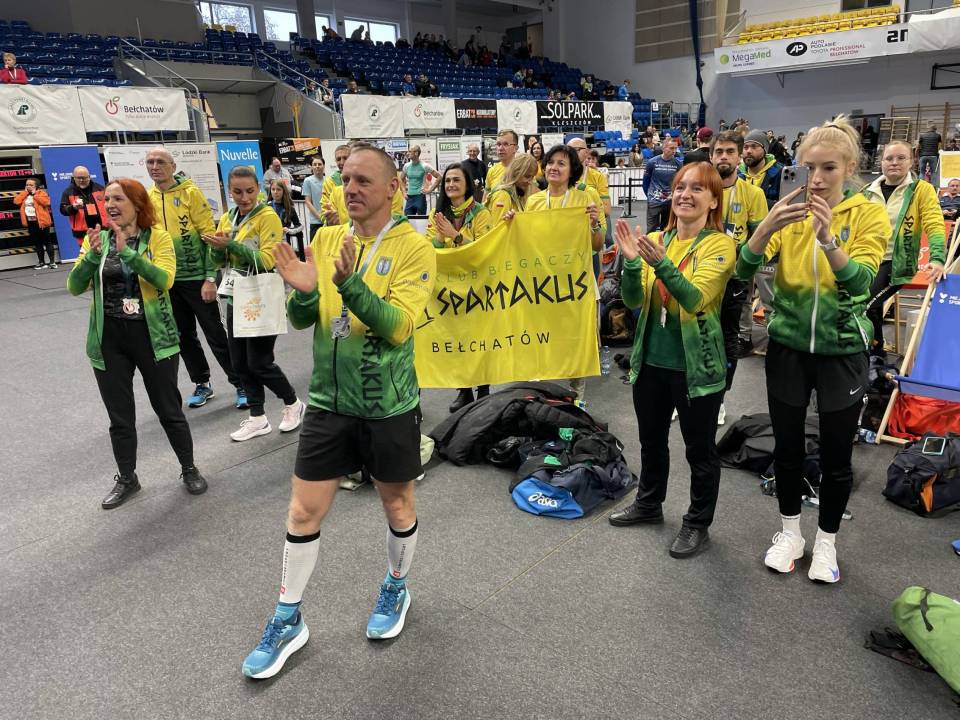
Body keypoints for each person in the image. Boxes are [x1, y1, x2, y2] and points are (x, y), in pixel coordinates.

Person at [240, 146, 436, 679]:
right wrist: (304, 293)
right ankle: (288, 618)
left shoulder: (415, 248)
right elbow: (306, 317)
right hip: (328, 401)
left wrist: (348, 284)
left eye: (363, 180)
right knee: (303, 512)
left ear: (393, 188)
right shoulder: (326, 238)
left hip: (388, 404)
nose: (350, 189)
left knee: (397, 505)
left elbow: (398, 327)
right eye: (346, 179)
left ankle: (396, 587)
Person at [736, 116, 889, 583]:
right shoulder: (791, 212)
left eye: (828, 168)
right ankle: (790, 534)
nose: (817, 179)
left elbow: (861, 284)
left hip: (842, 350)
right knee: (786, 449)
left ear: (849, 169)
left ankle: (826, 542)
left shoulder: (868, 214)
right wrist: (765, 228)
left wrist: (828, 239)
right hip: (788, 347)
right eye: (809, 169)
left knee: (837, 456)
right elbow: (744, 270)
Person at [608, 162, 735, 559]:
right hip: (651, 361)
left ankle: (698, 523)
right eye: (681, 187)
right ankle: (649, 503)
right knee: (651, 441)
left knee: (700, 451)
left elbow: (695, 299)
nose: (685, 194)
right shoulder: (655, 239)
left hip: (696, 367)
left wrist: (660, 263)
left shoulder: (719, 245)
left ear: (713, 201)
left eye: (697, 189)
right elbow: (633, 300)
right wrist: (632, 264)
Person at [66, 178, 207, 509]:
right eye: (107, 199)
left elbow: (164, 279)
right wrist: (92, 257)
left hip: (153, 335)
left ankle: (189, 468)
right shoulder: (97, 239)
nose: (110, 205)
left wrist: (129, 252)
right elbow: (74, 286)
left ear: (137, 203)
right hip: (109, 338)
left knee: (168, 409)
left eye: (118, 199)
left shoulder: (158, 237)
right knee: (120, 416)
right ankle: (127, 477)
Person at [203, 166, 306, 442]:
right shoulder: (228, 217)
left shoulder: (268, 217)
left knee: (260, 362)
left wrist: (231, 246)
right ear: (229, 191)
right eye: (237, 192)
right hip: (235, 296)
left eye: (250, 191)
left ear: (258, 189)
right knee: (239, 363)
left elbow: (267, 260)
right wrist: (216, 248)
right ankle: (258, 417)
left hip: (262, 296)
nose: (244, 197)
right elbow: (218, 261)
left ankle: (293, 403)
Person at [146, 147, 245, 410]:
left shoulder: (191, 193)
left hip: (198, 279)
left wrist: (210, 278)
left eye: (160, 162)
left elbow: (209, 235)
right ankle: (202, 383)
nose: (155, 166)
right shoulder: (148, 197)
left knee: (215, 333)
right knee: (184, 336)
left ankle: (241, 383)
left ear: (172, 166)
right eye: (150, 162)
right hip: (169, 280)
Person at [526, 145, 607, 404]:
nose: (554, 167)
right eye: (551, 162)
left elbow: (597, 245)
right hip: (544, 281)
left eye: (561, 163)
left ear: (572, 170)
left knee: (576, 338)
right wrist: (512, 224)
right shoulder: (534, 201)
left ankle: (577, 397)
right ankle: (540, 397)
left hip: (576, 282)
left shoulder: (585, 199)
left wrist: (594, 223)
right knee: (543, 335)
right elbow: (526, 241)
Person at [862, 140, 946, 357]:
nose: (894, 162)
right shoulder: (866, 192)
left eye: (901, 158)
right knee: (860, 304)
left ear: (912, 161)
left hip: (895, 263)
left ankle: (873, 355)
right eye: (889, 158)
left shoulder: (921, 190)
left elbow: (935, 224)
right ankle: (870, 352)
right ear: (881, 162)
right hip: (864, 261)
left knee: (864, 304)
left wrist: (937, 258)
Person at [709, 130, 769, 420]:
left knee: (726, 338)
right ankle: (686, 393)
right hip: (700, 275)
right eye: (719, 151)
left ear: (740, 156)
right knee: (691, 335)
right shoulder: (700, 188)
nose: (724, 157)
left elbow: (760, 239)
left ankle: (719, 398)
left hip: (734, 278)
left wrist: (743, 266)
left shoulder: (753, 194)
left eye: (730, 151)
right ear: (711, 156)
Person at [426, 163, 494, 411]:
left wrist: (455, 235)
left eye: (456, 180)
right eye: (447, 181)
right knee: (457, 338)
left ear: (467, 184)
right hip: (449, 288)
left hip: (478, 286)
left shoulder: (481, 213)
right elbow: (429, 248)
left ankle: (483, 391)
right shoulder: (437, 214)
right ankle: (464, 391)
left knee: (480, 339)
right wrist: (440, 236)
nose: (451, 184)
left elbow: (485, 249)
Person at [485, 153, 538, 227]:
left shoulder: (518, 193)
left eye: (532, 177)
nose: (530, 181)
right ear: (515, 173)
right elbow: (499, 230)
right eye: (527, 176)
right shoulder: (502, 195)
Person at [59, 166, 107, 247]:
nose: (81, 180)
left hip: (103, 230)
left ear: (89, 177)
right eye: (78, 178)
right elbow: (63, 210)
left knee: (106, 253)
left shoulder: (100, 189)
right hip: (82, 233)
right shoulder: (68, 192)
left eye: (84, 178)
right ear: (73, 178)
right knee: (87, 254)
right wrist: (73, 208)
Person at [643, 136, 682, 232]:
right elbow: (645, 182)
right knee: (651, 230)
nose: (674, 151)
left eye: (676, 148)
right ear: (664, 148)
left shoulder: (678, 164)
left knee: (667, 230)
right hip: (654, 201)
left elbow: (680, 183)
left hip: (669, 202)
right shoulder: (652, 162)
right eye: (671, 148)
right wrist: (650, 195)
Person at [14, 179, 56, 269]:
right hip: (31, 222)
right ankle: (41, 262)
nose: (28, 186)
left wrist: (34, 195)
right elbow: (16, 201)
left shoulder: (41, 193)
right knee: (37, 243)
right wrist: (25, 193)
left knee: (47, 241)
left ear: (36, 186)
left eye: (31, 185)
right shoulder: (25, 194)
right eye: (27, 184)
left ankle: (52, 262)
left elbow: (46, 202)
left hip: (42, 222)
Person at [739, 129, 782, 210]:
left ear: (765, 150)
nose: (749, 151)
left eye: (754, 147)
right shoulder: (737, 175)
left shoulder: (779, 174)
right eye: (745, 147)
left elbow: (784, 207)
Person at [269, 179, 304, 260]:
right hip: (269, 244)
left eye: (278, 189)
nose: (275, 192)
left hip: (284, 244)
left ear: (283, 191)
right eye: (273, 189)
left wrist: (289, 230)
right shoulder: (267, 207)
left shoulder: (290, 208)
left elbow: (300, 226)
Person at [401, 145, 438, 216]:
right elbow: (401, 179)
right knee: (408, 220)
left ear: (416, 153)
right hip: (409, 197)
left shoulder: (424, 166)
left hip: (420, 197)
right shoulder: (406, 166)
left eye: (410, 151)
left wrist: (430, 190)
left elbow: (439, 177)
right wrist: (404, 192)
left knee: (421, 220)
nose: (408, 153)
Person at [484, 129, 519, 199]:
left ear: (515, 148)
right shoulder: (492, 170)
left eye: (505, 144)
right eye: (498, 144)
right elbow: (485, 199)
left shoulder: (524, 169)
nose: (500, 148)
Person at [301, 156, 326, 250]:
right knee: (315, 250)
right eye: (314, 164)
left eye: (319, 164)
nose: (317, 166)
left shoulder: (328, 180)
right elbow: (308, 202)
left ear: (324, 166)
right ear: (311, 167)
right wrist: (320, 217)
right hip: (316, 222)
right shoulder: (308, 181)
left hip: (328, 221)